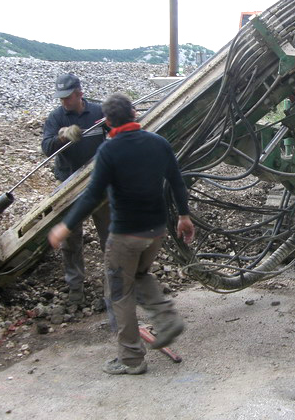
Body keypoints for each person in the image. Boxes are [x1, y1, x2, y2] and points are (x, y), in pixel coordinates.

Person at [48, 93, 195, 376]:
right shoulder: (158, 143)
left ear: (108, 122)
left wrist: (66, 226)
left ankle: (131, 359)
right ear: (135, 113)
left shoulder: (109, 150)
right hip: (156, 232)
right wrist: (184, 216)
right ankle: (165, 316)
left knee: (119, 293)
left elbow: (92, 196)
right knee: (139, 275)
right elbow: (177, 180)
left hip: (126, 236)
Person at [41, 73, 111, 304]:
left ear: (80, 94)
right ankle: (75, 289)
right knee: (71, 239)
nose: (63, 102)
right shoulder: (57, 116)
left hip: (98, 182)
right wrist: (62, 137)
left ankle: (113, 289)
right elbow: (46, 147)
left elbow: (116, 132)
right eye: (60, 97)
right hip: (68, 183)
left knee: (108, 235)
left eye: (68, 97)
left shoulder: (98, 112)